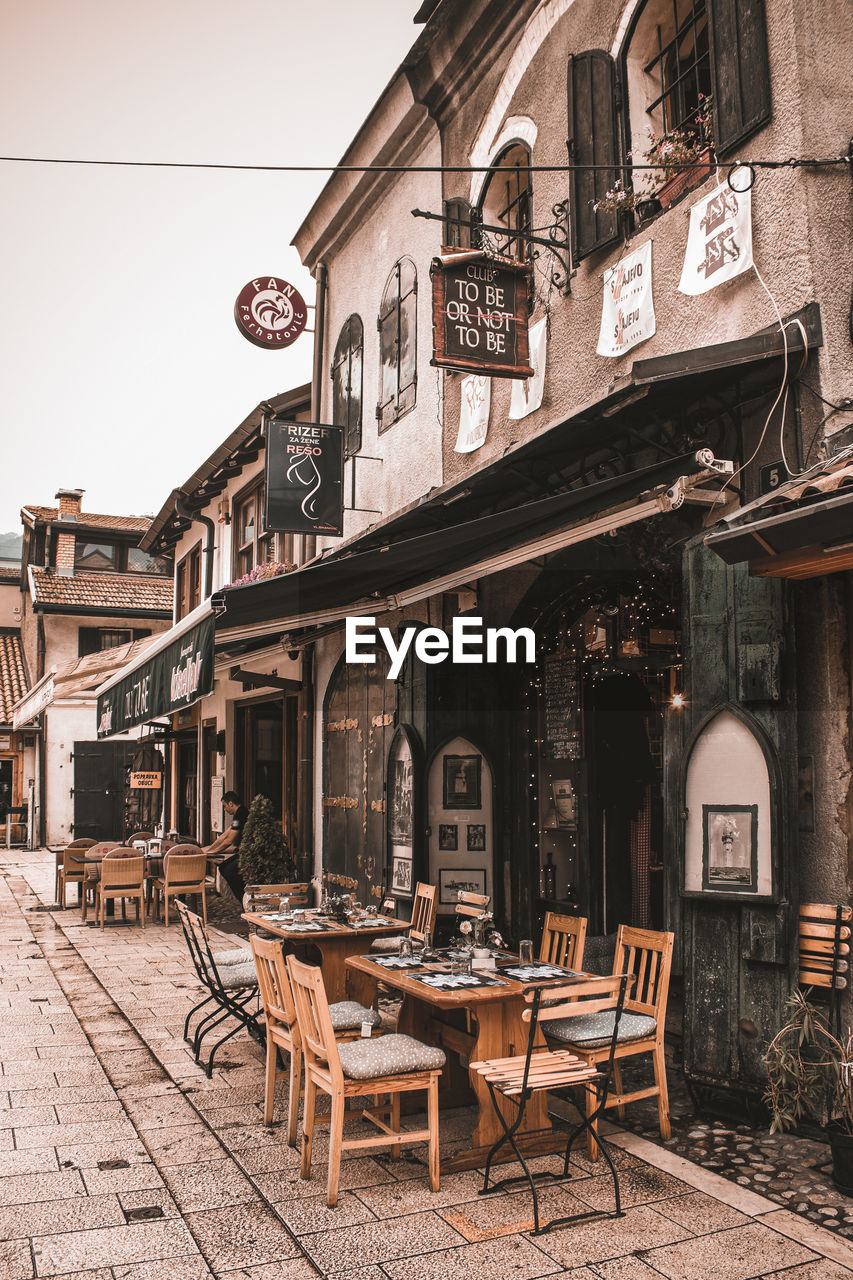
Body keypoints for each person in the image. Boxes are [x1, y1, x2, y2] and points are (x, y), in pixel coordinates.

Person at [204, 791, 248, 901]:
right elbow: (225, 835)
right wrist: (210, 848)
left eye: (225, 806)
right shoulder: (239, 813)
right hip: (242, 850)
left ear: (231, 804)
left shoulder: (240, 814)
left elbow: (229, 841)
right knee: (224, 867)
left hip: (247, 852)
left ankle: (244, 897)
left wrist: (212, 852)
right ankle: (243, 897)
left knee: (228, 869)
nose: (224, 809)